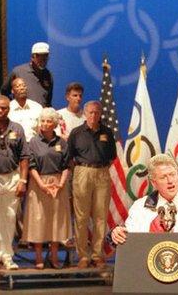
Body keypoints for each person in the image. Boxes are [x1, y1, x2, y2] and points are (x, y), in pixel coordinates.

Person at [67, 101, 116, 268]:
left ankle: (97, 254)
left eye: (96, 113)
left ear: (100, 114)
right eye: (90, 113)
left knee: (100, 216)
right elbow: (70, 157)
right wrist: (81, 171)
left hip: (102, 173)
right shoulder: (76, 133)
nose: (93, 116)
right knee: (81, 217)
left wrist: (100, 169)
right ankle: (83, 255)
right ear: (85, 114)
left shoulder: (107, 132)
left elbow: (112, 156)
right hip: (82, 172)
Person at [23, 108, 71, 269]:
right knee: (38, 220)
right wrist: (42, 185)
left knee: (56, 221)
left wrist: (61, 183)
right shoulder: (33, 142)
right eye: (42, 120)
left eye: (48, 121)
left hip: (58, 184)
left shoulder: (62, 143)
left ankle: (55, 257)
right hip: (38, 184)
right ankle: (38, 258)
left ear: (55, 124)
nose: (45, 124)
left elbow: (66, 165)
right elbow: (31, 166)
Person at [0, 96, 29, 269]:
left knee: (10, 217)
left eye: (4, 108)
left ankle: (8, 256)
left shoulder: (16, 128)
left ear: (8, 109)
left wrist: (23, 180)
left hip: (13, 177)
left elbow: (24, 156)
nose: (0, 111)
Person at [2, 42, 53, 107]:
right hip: (21, 114)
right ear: (32, 57)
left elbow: (48, 100)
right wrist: (15, 105)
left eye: (45, 56)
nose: (43, 59)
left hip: (41, 115)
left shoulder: (48, 75)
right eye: (39, 56)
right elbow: (4, 91)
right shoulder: (18, 71)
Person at [8, 77, 43, 142]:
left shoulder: (37, 107)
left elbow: (41, 130)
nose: (22, 88)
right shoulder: (8, 108)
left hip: (33, 145)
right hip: (15, 145)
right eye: (18, 86)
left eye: (24, 86)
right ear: (12, 91)